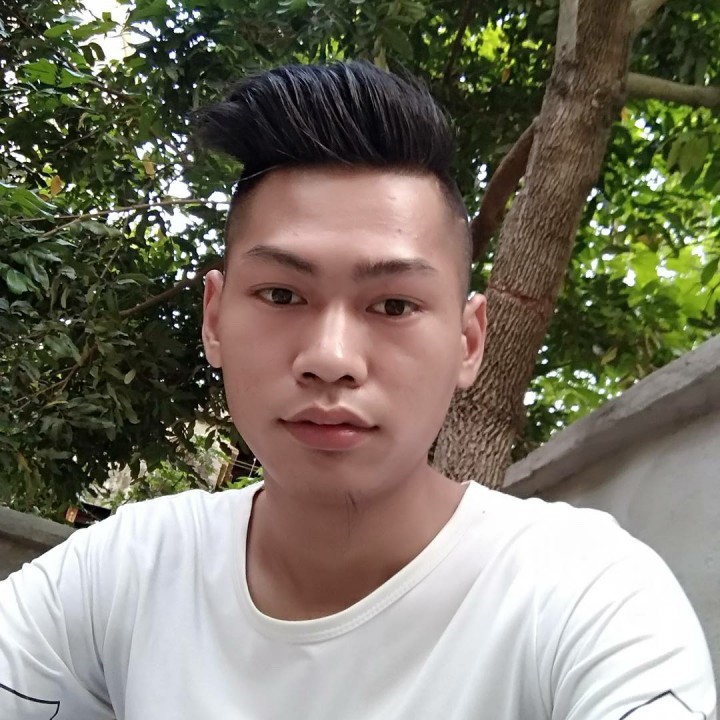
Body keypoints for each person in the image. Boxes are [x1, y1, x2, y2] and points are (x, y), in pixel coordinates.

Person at [0, 61, 715, 720]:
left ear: (468, 342)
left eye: (394, 305)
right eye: (282, 294)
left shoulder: (584, 597)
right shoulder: (125, 573)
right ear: (214, 319)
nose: (330, 359)